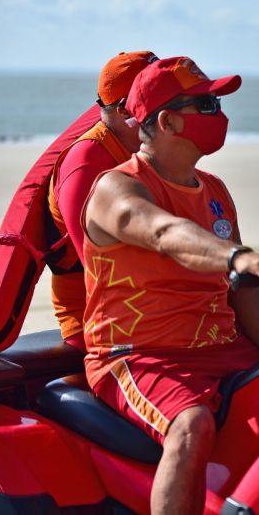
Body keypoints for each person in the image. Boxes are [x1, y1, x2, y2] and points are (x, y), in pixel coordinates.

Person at [81, 56, 259, 514]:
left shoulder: (215, 189)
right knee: (192, 424)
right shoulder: (116, 188)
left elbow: (241, 288)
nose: (220, 114)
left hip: (219, 345)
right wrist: (241, 255)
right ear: (167, 120)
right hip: (139, 354)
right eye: (207, 105)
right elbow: (164, 233)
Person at [49, 51, 159, 350]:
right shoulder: (86, 161)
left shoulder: (149, 150)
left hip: (155, 307)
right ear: (126, 111)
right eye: (162, 97)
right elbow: (98, 268)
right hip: (97, 318)